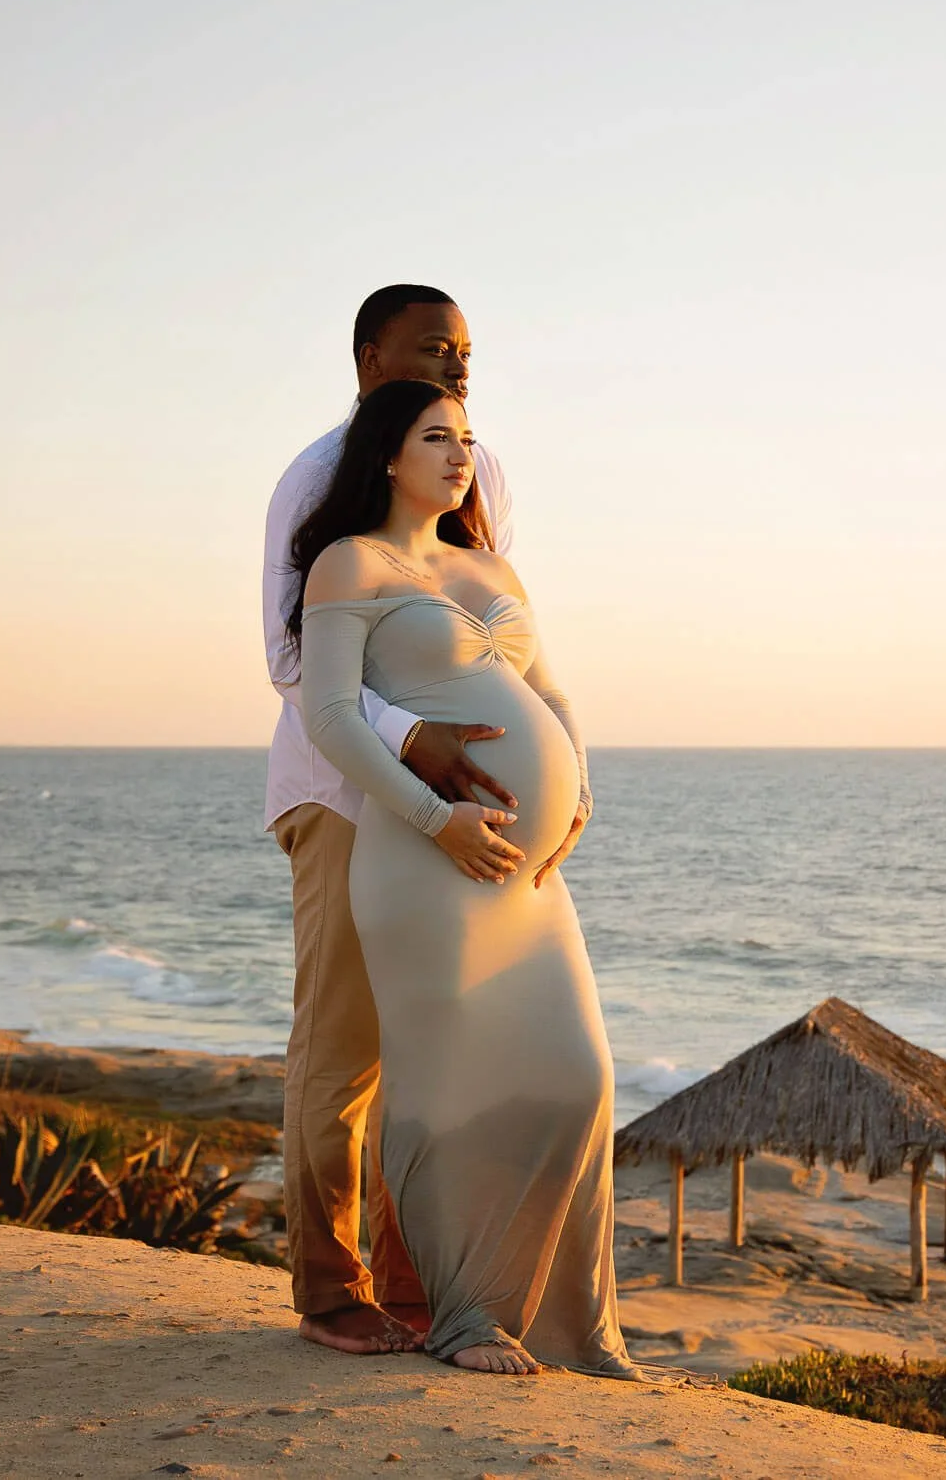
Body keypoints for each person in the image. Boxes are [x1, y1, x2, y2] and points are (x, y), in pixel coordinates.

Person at [289, 377, 648, 1377]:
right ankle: (467, 1318)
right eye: (434, 436)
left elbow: (548, 687)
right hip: (421, 857)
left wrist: (577, 787)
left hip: (527, 878)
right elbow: (330, 718)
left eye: (466, 437)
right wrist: (434, 816)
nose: (458, 454)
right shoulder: (348, 564)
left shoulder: (493, 566)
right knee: (440, 1092)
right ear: (387, 454)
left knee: (577, 1077)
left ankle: (573, 1323)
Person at [261, 285, 516, 1356]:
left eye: (464, 352)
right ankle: (330, 1289)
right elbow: (291, 666)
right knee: (344, 1051)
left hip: (457, 813)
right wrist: (414, 743)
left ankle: (417, 1278)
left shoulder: (481, 470)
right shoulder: (315, 479)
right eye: (429, 349)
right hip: (340, 800)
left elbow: (494, 636)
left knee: (439, 1050)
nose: (455, 368)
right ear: (368, 356)